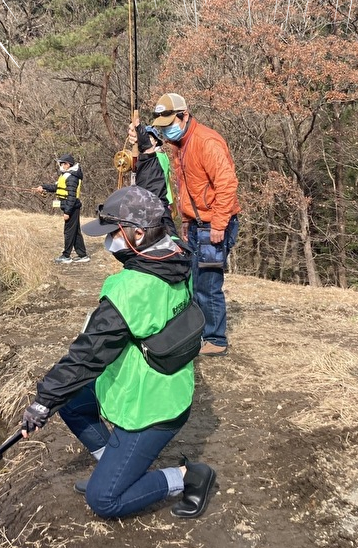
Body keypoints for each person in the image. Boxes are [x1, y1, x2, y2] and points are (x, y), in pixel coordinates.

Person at [19, 185, 217, 519]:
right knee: (71, 403)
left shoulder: (131, 290)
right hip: (147, 383)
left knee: (104, 501)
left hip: (153, 408)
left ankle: (188, 476)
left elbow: (86, 355)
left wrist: (42, 401)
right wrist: (55, 399)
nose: (108, 240)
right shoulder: (177, 255)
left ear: (139, 233)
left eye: (114, 232)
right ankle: (110, 468)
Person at [150, 93, 241, 356]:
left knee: (208, 282)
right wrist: (187, 220)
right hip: (196, 223)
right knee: (193, 279)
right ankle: (200, 331)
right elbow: (187, 188)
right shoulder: (180, 145)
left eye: (170, 122)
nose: (167, 130)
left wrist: (219, 225)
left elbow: (227, 185)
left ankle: (215, 339)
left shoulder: (206, 141)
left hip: (214, 223)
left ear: (184, 115)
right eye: (163, 125)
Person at [33, 153, 89, 264]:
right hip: (70, 207)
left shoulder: (72, 177)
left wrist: (67, 212)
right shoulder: (66, 175)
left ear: (68, 164)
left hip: (71, 208)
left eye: (62, 163)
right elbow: (56, 187)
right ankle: (83, 255)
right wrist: (43, 187)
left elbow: (72, 196)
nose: (61, 165)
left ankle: (66, 256)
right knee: (75, 232)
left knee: (68, 232)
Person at [127, 119, 177, 237]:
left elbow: (154, 181)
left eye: (151, 138)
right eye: (146, 137)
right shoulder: (153, 157)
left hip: (159, 201)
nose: (148, 140)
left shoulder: (158, 157)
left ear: (155, 142)